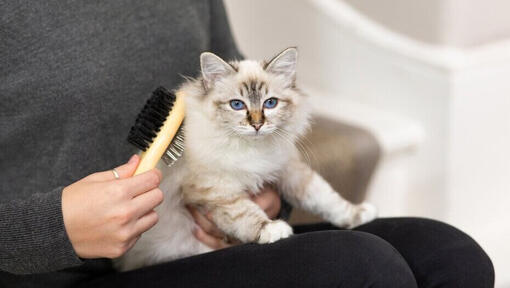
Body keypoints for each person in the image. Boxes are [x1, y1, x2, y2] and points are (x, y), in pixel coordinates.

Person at [0, 1, 494, 287]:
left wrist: (265, 198)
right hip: (57, 275)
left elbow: (242, 88)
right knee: (365, 269)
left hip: (208, 222)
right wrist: (53, 229)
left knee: (451, 255)